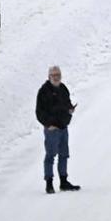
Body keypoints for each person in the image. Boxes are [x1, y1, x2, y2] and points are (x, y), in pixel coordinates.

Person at [36, 66, 80, 194]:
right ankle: (49, 184)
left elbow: (66, 104)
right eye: (53, 75)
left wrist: (70, 110)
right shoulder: (44, 91)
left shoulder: (63, 88)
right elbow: (39, 112)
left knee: (64, 154)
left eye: (58, 75)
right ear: (49, 76)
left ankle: (64, 181)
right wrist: (48, 124)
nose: (56, 77)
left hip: (63, 127)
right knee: (50, 155)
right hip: (52, 129)